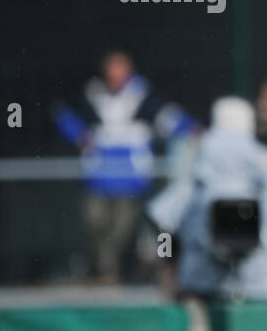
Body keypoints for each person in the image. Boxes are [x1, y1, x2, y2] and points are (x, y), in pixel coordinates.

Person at [147, 97, 267, 331]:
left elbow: (162, 216)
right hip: (263, 272)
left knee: (164, 248)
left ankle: (175, 325)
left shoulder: (195, 162)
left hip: (199, 274)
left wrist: (171, 253)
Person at [53, 50, 197, 283]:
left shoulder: (142, 96)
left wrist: (192, 129)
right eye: (111, 71)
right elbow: (63, 115)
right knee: (94, 221)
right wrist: (79, 136)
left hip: (131, 178)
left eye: (120, 70)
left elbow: (167, 118)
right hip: (98, 175)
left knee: (122, 229)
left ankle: (110, 272)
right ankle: (104, 269)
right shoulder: (93, 95)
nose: (115, 76)